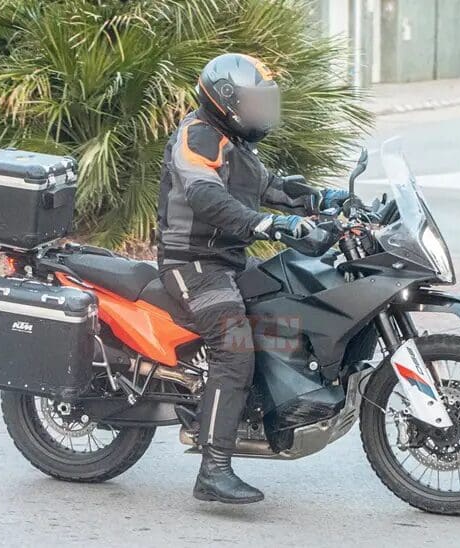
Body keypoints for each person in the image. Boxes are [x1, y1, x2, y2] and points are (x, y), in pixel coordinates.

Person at [157, 53, 352, 504]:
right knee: (233, 346)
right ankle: (214, 467)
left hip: (225, 260)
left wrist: (325, 199)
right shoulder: (198, 137)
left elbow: (271, 187)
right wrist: (266, 225)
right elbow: (206, 198)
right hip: (192, 264)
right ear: (225, 102)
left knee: (288, 310)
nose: (261, 110)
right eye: (253, 101)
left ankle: (259, 411)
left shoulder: (236, 143)